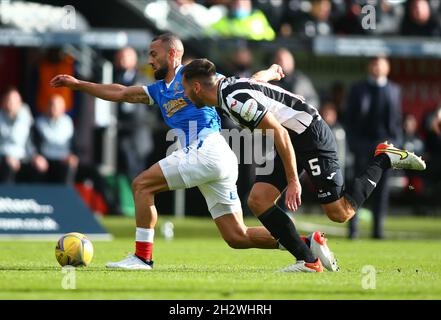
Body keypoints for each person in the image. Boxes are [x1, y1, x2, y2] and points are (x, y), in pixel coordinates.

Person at [50, 33, 333, 272]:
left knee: (141, 184)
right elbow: (122, 92)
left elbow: (242, 84)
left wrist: (269, 74)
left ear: (173, 53)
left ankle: (142, 257)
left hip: (208, 148)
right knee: (236, 236)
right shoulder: (160, 89)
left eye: (154, 54)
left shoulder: (193, 76)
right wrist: (78, 85)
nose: (149, 59)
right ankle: (306, 244)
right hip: (216, 158)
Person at [180, 58, 426, 271]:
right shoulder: (226, 86)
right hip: (294, 137)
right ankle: (307, 261)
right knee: (258, 200)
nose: (184, 94)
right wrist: (271, 71)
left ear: (197, 87)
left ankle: (384, 158)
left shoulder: (234, 101)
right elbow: (255, 80)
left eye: (185, 89)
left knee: (340, 213)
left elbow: (280, 134)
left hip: (310, 134)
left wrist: (293, 180)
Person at [345, 56, 403, 239]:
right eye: (374, 64)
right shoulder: (358, 89)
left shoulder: (394, 90)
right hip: (362, 145)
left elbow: (396, 122)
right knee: (356, 189)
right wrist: (354, 144)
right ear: (369, 67)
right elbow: (350, 120)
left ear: (388, 67)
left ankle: (378, 231)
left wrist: (395, 146)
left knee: (382, 190)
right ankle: (352, 230)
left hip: (385, 147)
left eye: (381, 64)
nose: (377, 67)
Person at [31, 94, 78, 184]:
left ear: (63, 109)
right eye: (51, 105)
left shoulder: (68, 123)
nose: (53, 109)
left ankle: (66, 195)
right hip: (45, 159)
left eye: (56, 107)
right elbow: (33, 144)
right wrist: (36, 156)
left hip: (62, 160)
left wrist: (73, 156)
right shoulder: (39, 123)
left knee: (71, 164)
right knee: (38, 165)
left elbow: (73, 145)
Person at [0, 88, 34, 183]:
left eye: (14, 101)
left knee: (39, 166)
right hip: (3, 156)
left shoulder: (26, 117)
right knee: (8, 165)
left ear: (20, 103)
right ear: (3, 102)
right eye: (8, 100)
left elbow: (29, 142)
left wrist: (35, 156)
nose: (11, 103)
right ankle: (6, 196)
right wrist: (8, 156)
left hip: (23, 157)